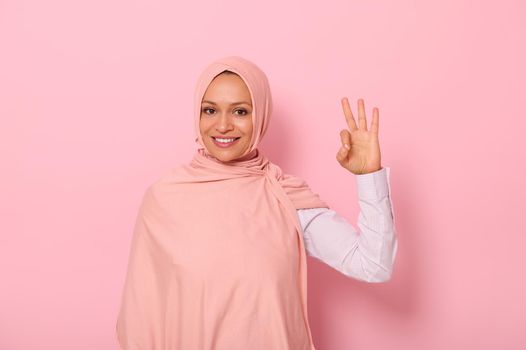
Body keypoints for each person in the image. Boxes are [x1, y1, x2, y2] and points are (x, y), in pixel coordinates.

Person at [115, 56, 397, 350]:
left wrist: (369, 177)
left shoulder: (285, 198)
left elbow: (374, 265)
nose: (222, 125)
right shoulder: (164, 199)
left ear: (260, 116)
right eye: (210, 110)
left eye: (240, 111)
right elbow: (139, 317)